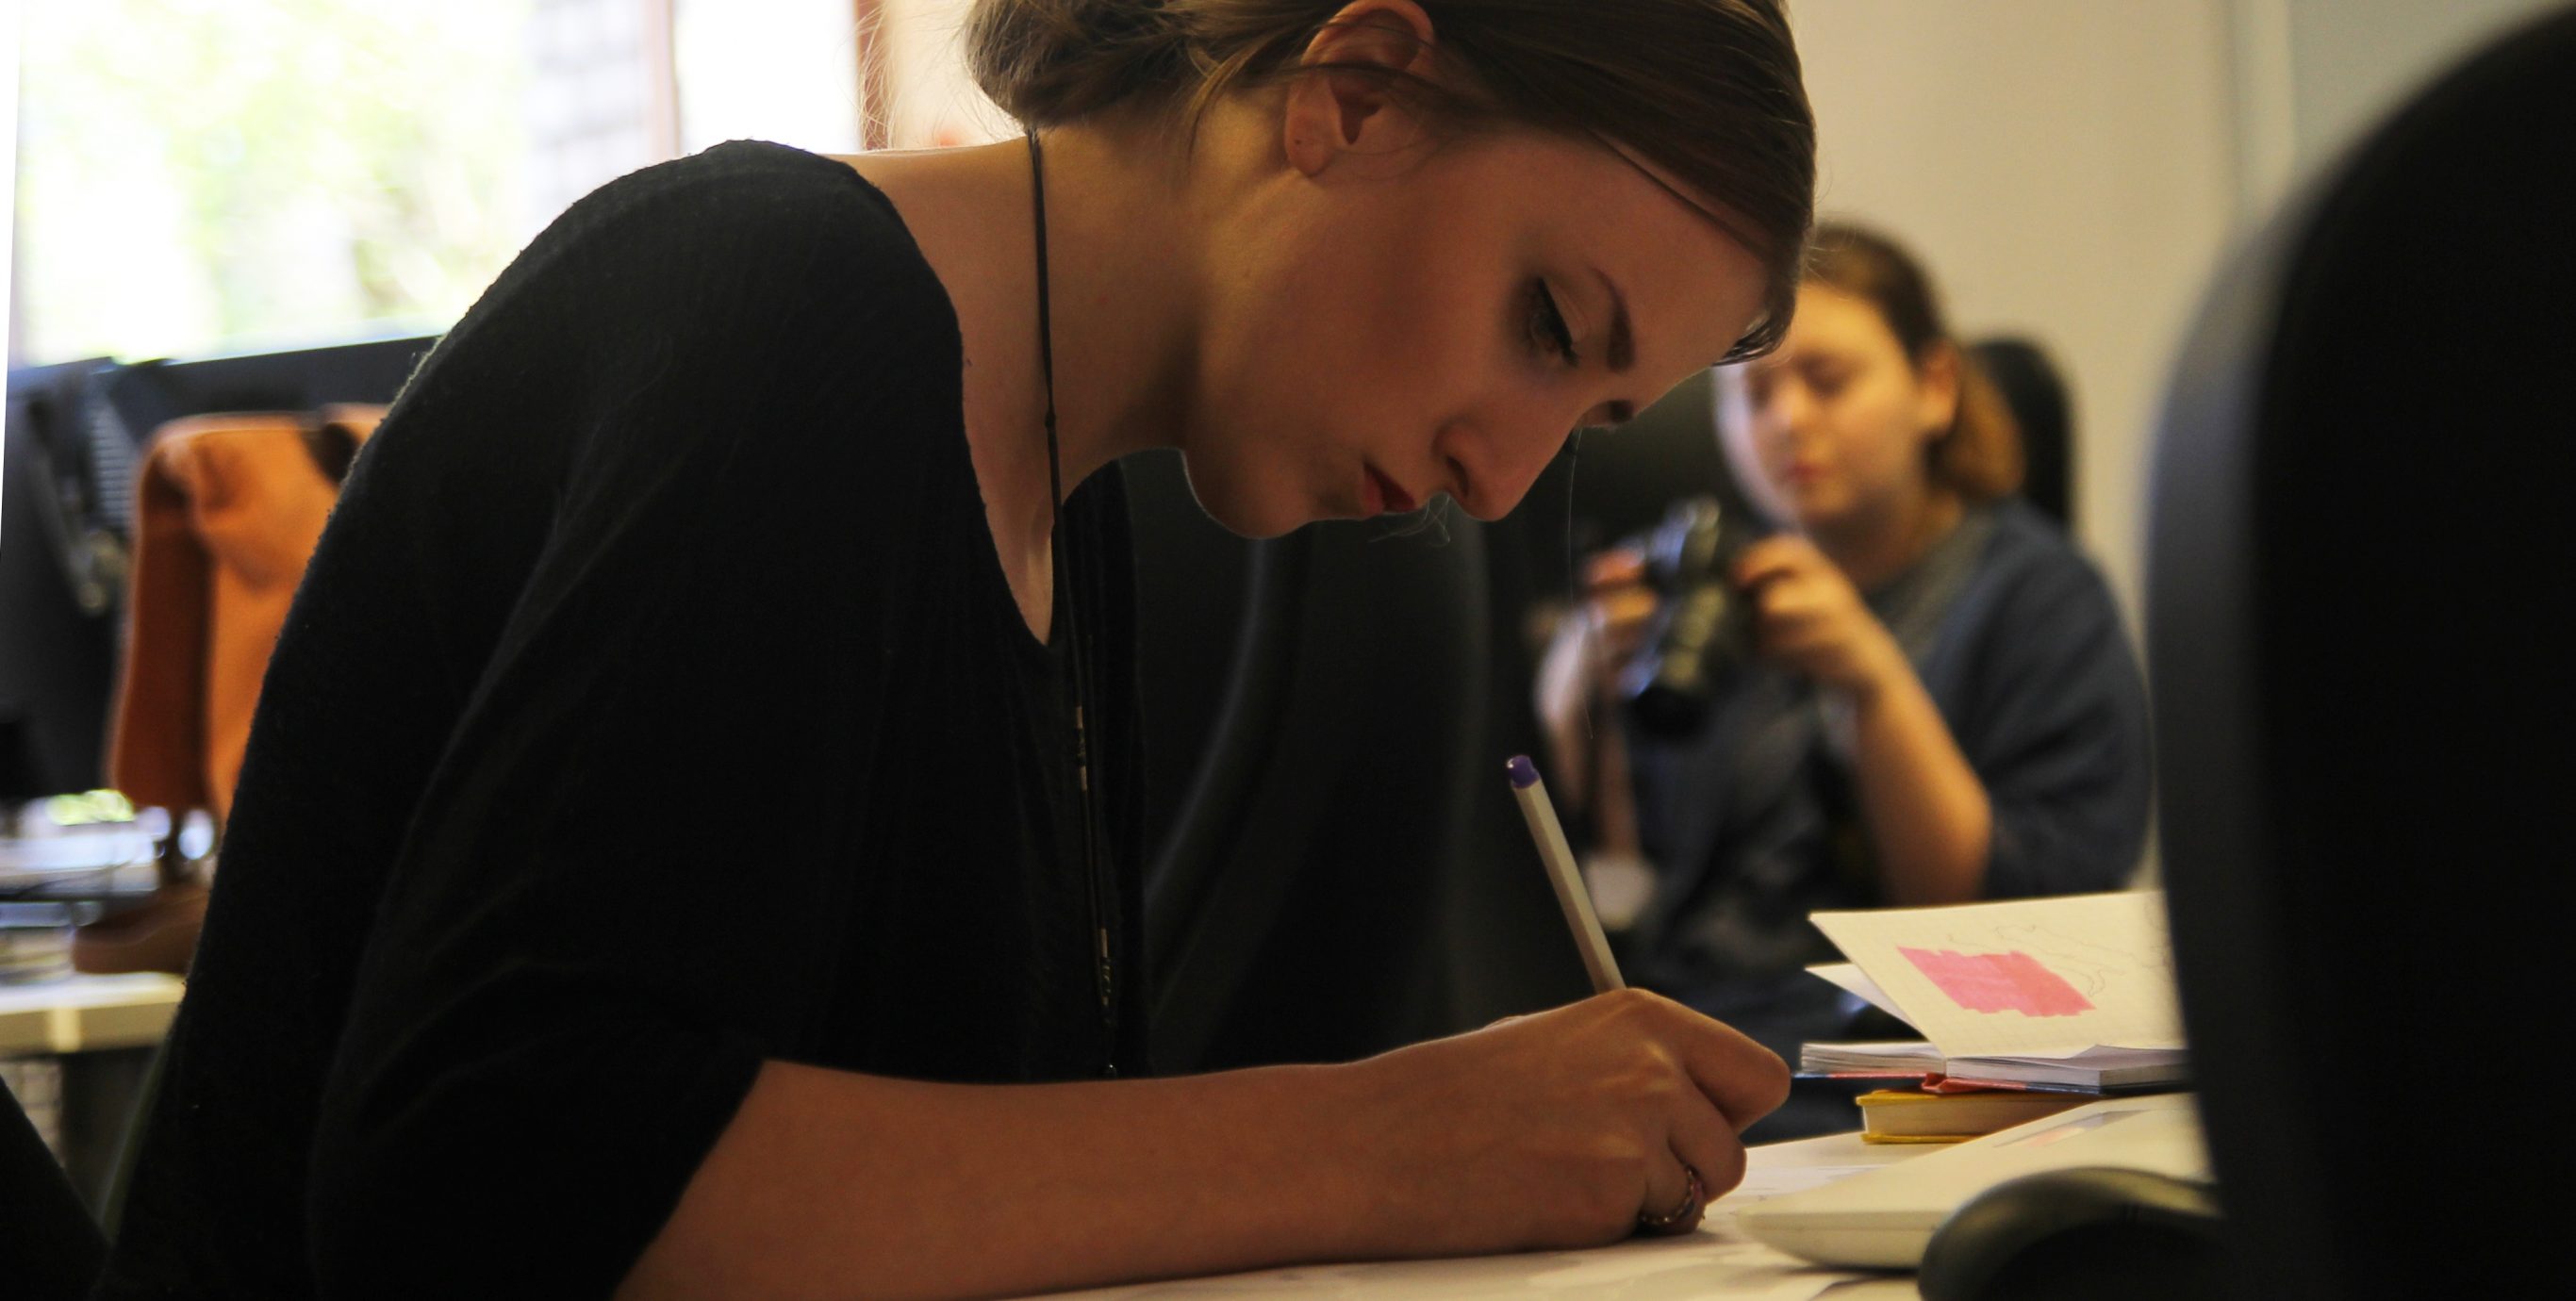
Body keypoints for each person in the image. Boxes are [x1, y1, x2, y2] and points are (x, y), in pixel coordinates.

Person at [91, 3, 1817, 1298]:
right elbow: (495, 1182)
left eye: (1591, 416)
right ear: (1353, 97)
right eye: (1547, 326)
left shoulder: (1066, 505)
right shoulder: (786, 318)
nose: (1499, 479)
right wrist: (1391, 1145)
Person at [1538, 222, 2152, 1139]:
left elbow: (2026, 934)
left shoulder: (2039, 599)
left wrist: (1872, 683)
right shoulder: (1713, 596)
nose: (1786, 422)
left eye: (1826, 382)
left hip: (1909, 1078)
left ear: (1933, 387)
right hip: (1696, 1048)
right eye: (1751, 395)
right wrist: (1569, 709)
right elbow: (1631, 888)